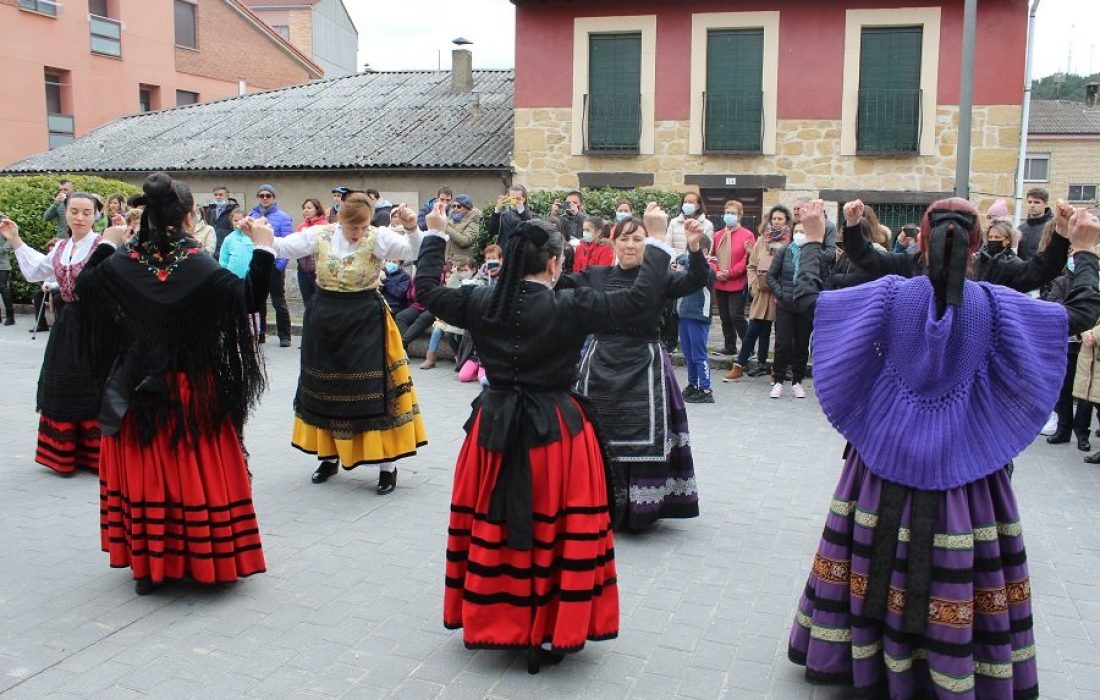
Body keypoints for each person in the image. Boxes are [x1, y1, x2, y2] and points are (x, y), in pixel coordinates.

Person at [786, 197, 1100, 700]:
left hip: (882, 462)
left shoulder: (890, 296)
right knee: (966, 566)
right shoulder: (995, 304)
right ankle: (952, 664)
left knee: (867, 554)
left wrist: (812, 239)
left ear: (921, 241)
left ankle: (864, 658)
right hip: (966, 467)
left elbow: (808, 303)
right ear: (976, 243)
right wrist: (1083, 250)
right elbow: (1080, 312)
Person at [414, 200, 697, 673]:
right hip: (557, 433)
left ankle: (496, 617)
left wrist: (436, 234)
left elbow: (425, 290)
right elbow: (638, 301)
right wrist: (655, 241)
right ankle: (549, 627)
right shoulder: (570, 304)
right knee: (556, 525)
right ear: (553, 262)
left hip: (494, 427)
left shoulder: (480, 300)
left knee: (495, 522)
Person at [72, 172, 272, 596]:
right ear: (189, 216)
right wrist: (265, 248)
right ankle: (208, 560)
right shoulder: (196, 262)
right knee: (193, 469)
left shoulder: (124, 260)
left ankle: (149, 565)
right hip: (190, 387)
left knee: (148, 474)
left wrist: (107, 242)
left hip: (133, 388)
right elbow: (248, 297)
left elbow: (81, 288)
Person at [270, 193, 427, 494]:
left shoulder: (378, 237)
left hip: (365, 321)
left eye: (362, 227)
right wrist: (261, 235)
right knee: (327, 389)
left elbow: (415, 252)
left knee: (375, 391)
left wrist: (412, 228)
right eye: (351, 227)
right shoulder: (319, 235)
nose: (357, 234)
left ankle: (387, 465)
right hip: (325, 321)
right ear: (339, 218)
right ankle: (329, 457)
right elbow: (283, 246)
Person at [566, 211, 708, 531]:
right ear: (613, 242)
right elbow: (559, 286)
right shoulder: (596, 275)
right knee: (595, 433)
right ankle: (595, 502)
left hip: (645, 365)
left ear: (648, 243)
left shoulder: (658, 276)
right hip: (600, 362)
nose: (630, 245)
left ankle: (640, 509)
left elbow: (697, 280)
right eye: (624, 238)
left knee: (645, 435)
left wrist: (695, 248)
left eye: (638, 238)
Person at [1, 192, 102, 474]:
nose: (79, 217)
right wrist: (15, 238)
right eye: (74, 211)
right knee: (62, 381)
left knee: (93, 382)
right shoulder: (60, 248)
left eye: (86, 212)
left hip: (97, 324)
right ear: (66, 214)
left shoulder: (101, 245)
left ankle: (97, 455)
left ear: (95, 215)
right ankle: (65, 454)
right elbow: (37, 271)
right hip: (67, 323)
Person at [725, 212, 791, 381]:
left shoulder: (790, 242)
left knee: (780, 334)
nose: (776, 222)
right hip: (761, 293)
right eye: (774, 218)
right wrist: (753, 286)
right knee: (754, 329)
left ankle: (777, 370)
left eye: (780, 219)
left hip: (781, 294)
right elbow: (751, 265)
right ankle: (739, 365)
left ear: (786, 221)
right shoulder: (762, 240)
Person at [767, 222, 813, 399]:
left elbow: (822, 277)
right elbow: (771, 275)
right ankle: (778, 380)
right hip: (785, 305)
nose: (799, 234)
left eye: (803, 231)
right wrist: (781, 293)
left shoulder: (813, 254)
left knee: (801, 345)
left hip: (804, 306)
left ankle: (797, 381)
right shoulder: (784, 251)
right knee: (783, 344)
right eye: (797, 231)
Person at [249, 184, 293, 347]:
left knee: (278, 301)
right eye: (261, 195)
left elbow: (287, 243)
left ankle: (284, 335)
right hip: (258, 264)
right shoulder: (252, 216)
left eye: (268, 195)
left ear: (274, 197)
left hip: (275, 265)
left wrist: (279, 266)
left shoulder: (284, 217)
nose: (265, 198)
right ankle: (260, 333)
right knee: (258, 300)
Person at [711, 199, 756, 356]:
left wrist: (730, 273)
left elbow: (747, 259)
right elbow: (711, 256)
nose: (729, 216)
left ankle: (748, 347)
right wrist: (717, 271)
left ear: (740, 216)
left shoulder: (747, 235)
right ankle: (729, 346)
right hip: (720, 282)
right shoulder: (717, 235)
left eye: (733, 213)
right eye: (727, 213)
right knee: (724, 316)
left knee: (736, 315)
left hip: (737, 282)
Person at [678, 236, 717, 403]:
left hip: (698, 315)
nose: (689, 253)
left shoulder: (708, 268)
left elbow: (699, 270)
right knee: (689, 354)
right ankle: (693, 384)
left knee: (699, 354)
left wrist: (684, 258)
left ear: (705, 251)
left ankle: (706, 389)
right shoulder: (688, 267)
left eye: (694, 249)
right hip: (684, 314)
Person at [296, 198, 328, 309]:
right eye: (304, 208)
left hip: (319, 272)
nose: (306, 210)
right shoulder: (300, 227)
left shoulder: (325, 226)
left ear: (317, 209)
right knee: (308, 304)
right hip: (302, 271)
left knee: (321, 304)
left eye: (309, 208)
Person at [488, 184, 533, 251]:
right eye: (512, 198)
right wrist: (497, 211)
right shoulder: (504, 213)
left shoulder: (530, 214)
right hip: (504, 251)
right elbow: (492, 231)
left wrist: (522, 212)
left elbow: (531, 231)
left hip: (521, 252)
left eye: (517, 198)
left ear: (524, 199)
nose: (514, 200)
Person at [1017, 187, 1053, 261]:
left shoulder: (1053, 227)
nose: (1032, 205)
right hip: (1023, 270)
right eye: (1030, 202)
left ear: (1045, 204)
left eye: (1037, 202)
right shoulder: (1020, 228)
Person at [445, 194, 481, 266]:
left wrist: (447, 228)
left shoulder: (473, 221)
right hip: (447, 262)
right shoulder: (450, 219)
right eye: (453, 206)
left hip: (462, 265)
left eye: (459, 206)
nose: (455, 208)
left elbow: (465, 241)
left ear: (467, 208)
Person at [218, 208, 254, 280]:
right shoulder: (228, 239)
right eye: (235, 220)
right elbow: (223, 260)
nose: (238, 222)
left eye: (241, 220)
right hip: (233, 278)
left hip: (251, 277)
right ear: (231, 222)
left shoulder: (253, 236)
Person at [202, 186, 238, 254]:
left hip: (227, 244)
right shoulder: (210, 209)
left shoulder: (234, 209)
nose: (218, 197)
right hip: (213, 244)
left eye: (221, 194)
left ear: (227, 195)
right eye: (216, 195)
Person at [0, 229, 13, 325]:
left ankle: (10, 317)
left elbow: (11, 239)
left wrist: (2, 249)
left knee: (3, 289)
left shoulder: (2, 227)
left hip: (2, 266)